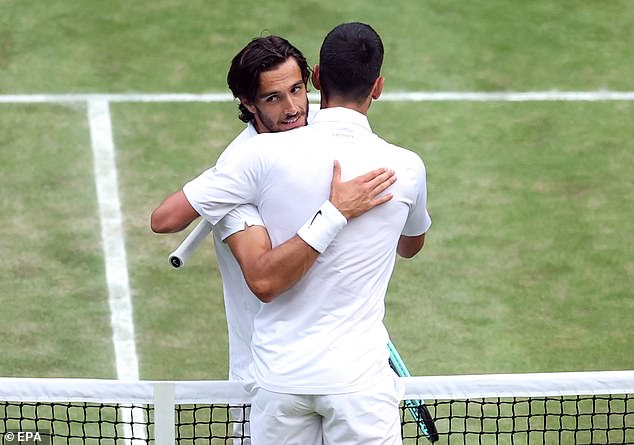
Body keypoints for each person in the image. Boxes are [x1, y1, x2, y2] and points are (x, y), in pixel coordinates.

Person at [154, 22, 432, 444]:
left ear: (314, 80)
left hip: (327, 376)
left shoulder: (292, 140)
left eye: (297, 90)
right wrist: (336, 212)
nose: (292, 108)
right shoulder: (244, 164)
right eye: (273, 97)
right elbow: (172, 223)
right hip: (262, 375)